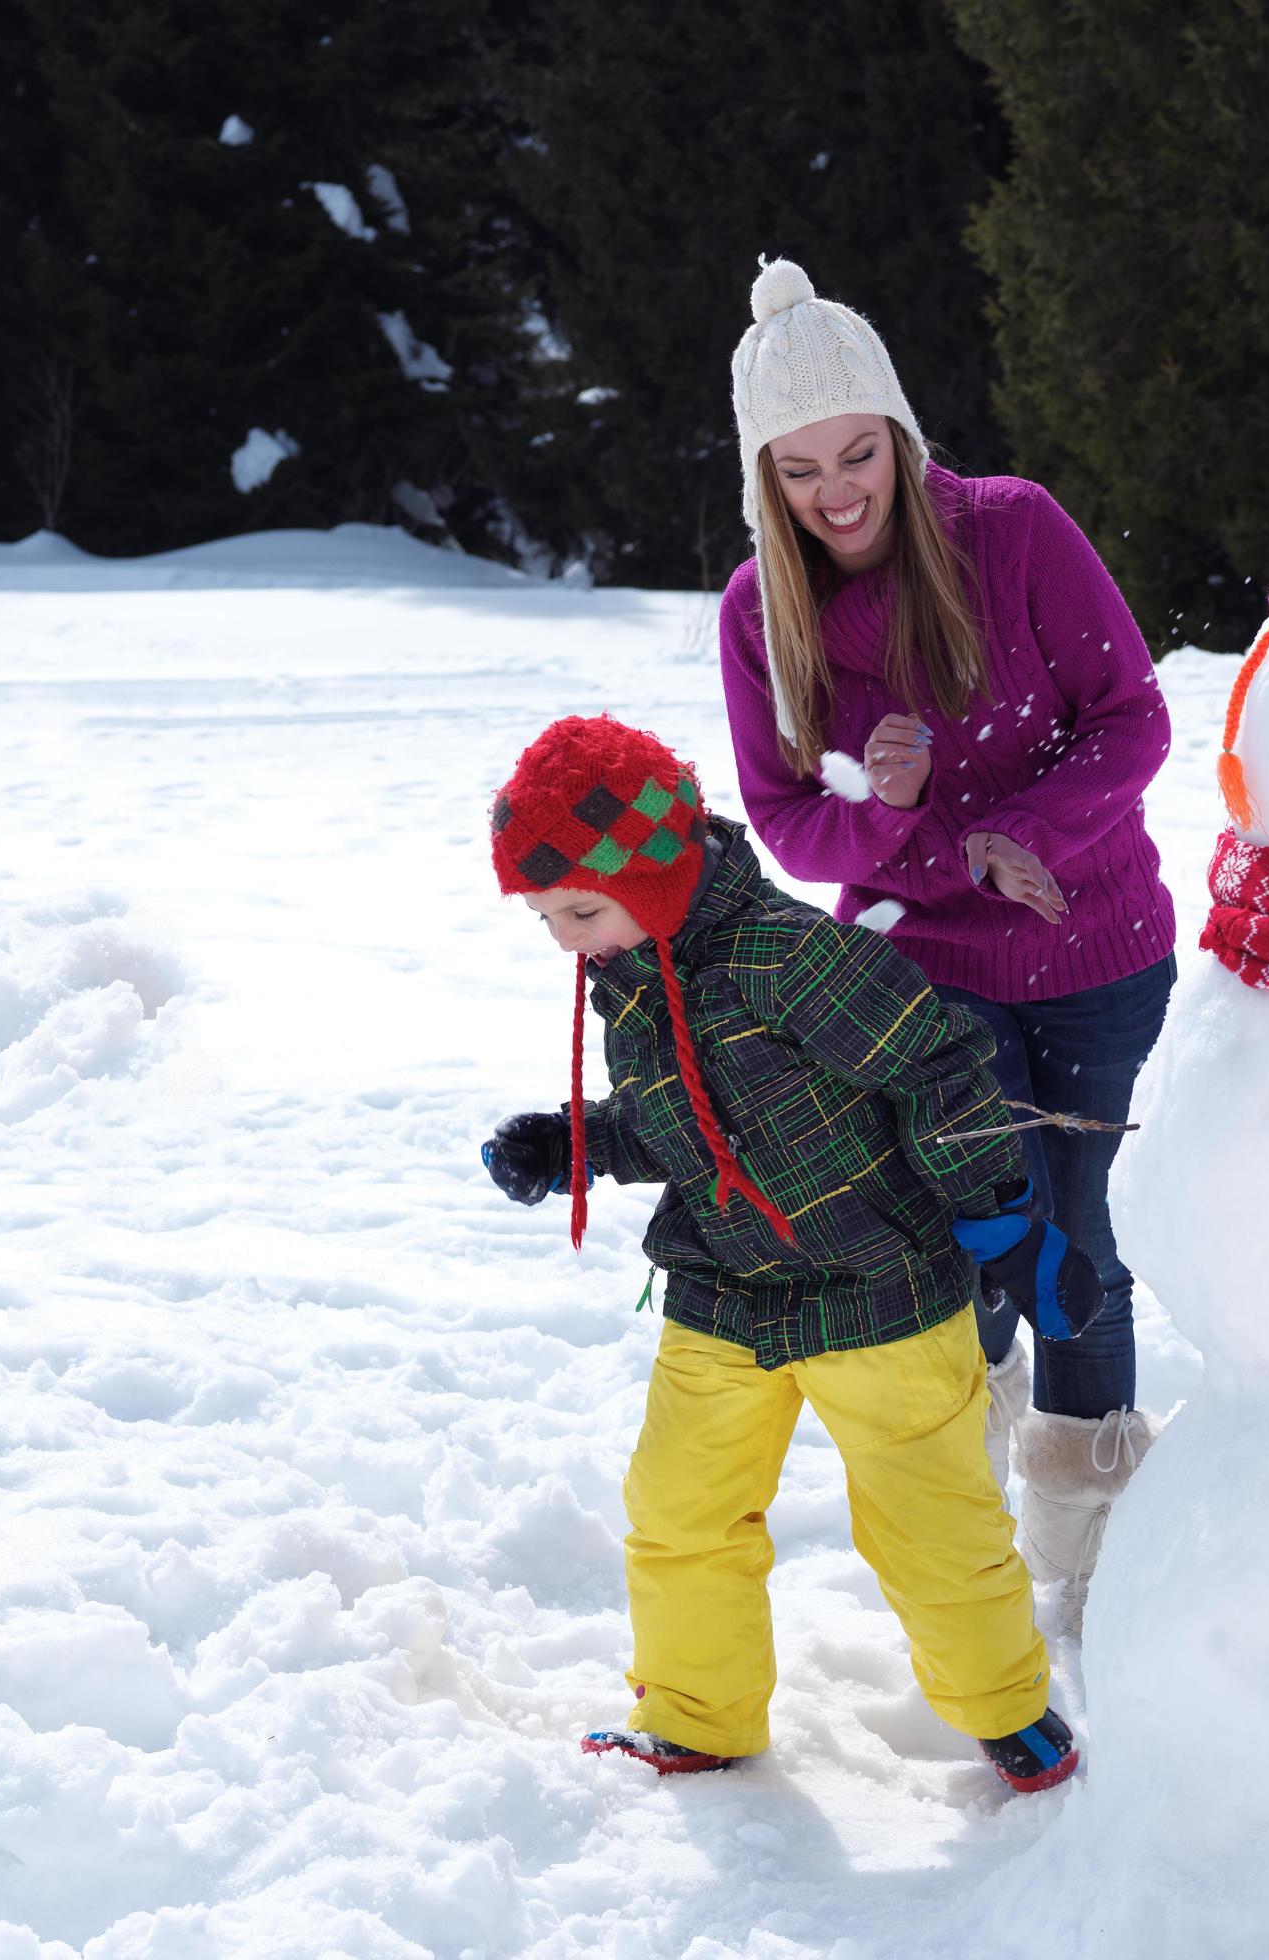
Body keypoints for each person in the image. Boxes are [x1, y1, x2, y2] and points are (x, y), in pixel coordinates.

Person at [480, 713, 1104, 1789]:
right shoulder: (636, 967)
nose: (563, 939)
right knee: (679, 1509)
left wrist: (1000, 1219)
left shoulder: (787, 955)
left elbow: (938, 1066)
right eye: (542, 915)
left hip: (883, 1289)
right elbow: (695, 1122)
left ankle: (1009, 1711)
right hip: (727, 1291)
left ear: (661, 872)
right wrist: (578, 1142)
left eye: (578, 908)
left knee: (932, 1526)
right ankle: (699, 1710)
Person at [714, 257, 1177, 1639]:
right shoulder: (760, 612)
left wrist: (1026, 825)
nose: (837, 492)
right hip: (919, 988)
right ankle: (963, 1557)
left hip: (1095, 951)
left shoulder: (1015, 531)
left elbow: (1132, 718)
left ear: (902, 437)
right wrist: (902, 817)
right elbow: (791, 827)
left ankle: (1090, 1566)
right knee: (972, 1251)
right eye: (799, 470)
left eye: (858, 453)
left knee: (1083, 1242)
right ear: (764, 478)